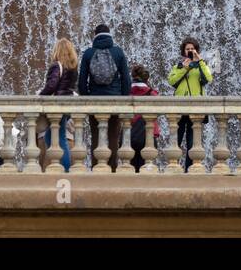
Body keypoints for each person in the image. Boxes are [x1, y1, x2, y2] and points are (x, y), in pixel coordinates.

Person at [77, 23, 129, 171]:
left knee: (96, 135)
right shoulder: (118, 52)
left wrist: (87, 97)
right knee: (113, 136)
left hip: (94, 100)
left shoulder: (88, 53)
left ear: (95, 36)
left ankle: (96, 166)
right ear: (109, 35)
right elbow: (126, 79)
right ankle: (112, 168)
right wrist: (123, 98)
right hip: (115, 101)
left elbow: (82, 81)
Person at [168, 38, 212, 172]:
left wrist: (200, 62)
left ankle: (189, 170)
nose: (190, 51)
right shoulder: (178, 67)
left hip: (196, 109)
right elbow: (171, 81)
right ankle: (174, 168)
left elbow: (209, 78)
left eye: (192, 49)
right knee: (176, 141)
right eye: (187, 49)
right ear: (183, 51)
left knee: (192, 143)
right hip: (179, 109)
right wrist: (185, 68)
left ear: (196, 51)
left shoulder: (201, 67)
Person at [37, 38, 77, 171]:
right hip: (67, 105)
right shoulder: (72, 68)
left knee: (61, 138)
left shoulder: (56, 65)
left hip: (58, 106)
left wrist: (40, 97)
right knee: (50, 135)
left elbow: (51, 85)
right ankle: (61, 163)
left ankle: (65, 169)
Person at [128, 64, 160, 172]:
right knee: (146, 168)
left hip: (129, 134)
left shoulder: (125, 92)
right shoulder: (152, 93)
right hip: (148, 135)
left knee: (130, 167)